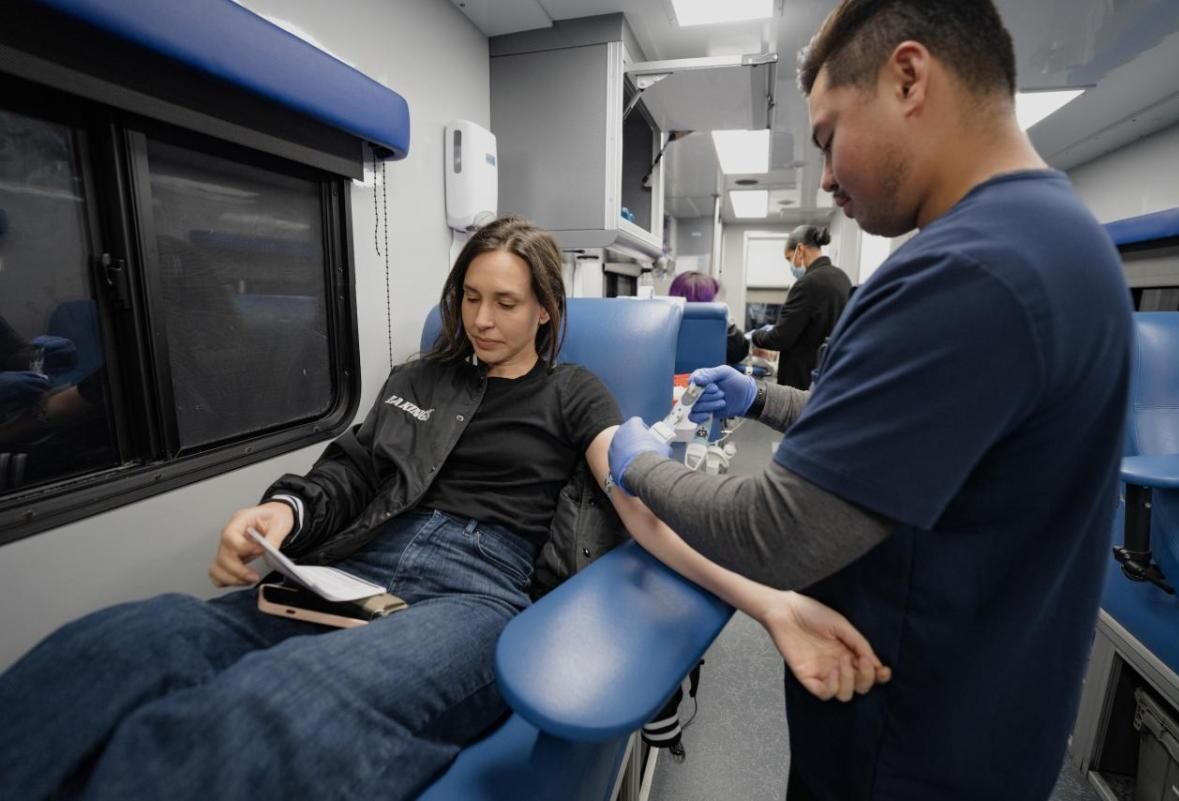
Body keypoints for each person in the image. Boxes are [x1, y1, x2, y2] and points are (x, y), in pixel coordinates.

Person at [0, 217, 889, 801]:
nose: (482, 319)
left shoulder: (575, 392)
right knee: (128, 638)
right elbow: (346, 470)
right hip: (349, 565)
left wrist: (767, 602)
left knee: (271, 709)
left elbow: (643, 503)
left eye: (506, 303)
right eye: (469, 298)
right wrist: (279, 515)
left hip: (473, 593)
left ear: (546, 311)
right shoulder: (417, 379)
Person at [605, 2, 1132, 800]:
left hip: (906, 737)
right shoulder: (1058, 239)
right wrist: (763, 400)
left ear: (908, 78)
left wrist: (637, 462)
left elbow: (771, 532)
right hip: (990, 718)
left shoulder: (963, 273)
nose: (823, 175)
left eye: (826, 135)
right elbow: (911, 447)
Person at [746, 225, 850, 390]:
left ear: (800, 250)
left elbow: (780, 338)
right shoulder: (842, 278)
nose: (790, 265)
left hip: (801, 381)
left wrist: (755, 336)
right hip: (830, 375)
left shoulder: (807, 284)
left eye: (789, 258)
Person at [667, 270, 750, 366]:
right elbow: (740, 352)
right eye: (713, 299)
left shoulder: (664, 329)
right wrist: (729, 324)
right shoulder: (717, 335)